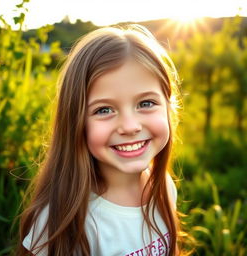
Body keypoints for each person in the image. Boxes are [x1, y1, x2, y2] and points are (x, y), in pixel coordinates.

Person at [16, 24, 186, 256]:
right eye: (104, 110)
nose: (130, 126)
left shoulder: (163, 186)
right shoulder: (64, 220)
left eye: (145, 103)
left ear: (168, 107)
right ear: (74, 121)